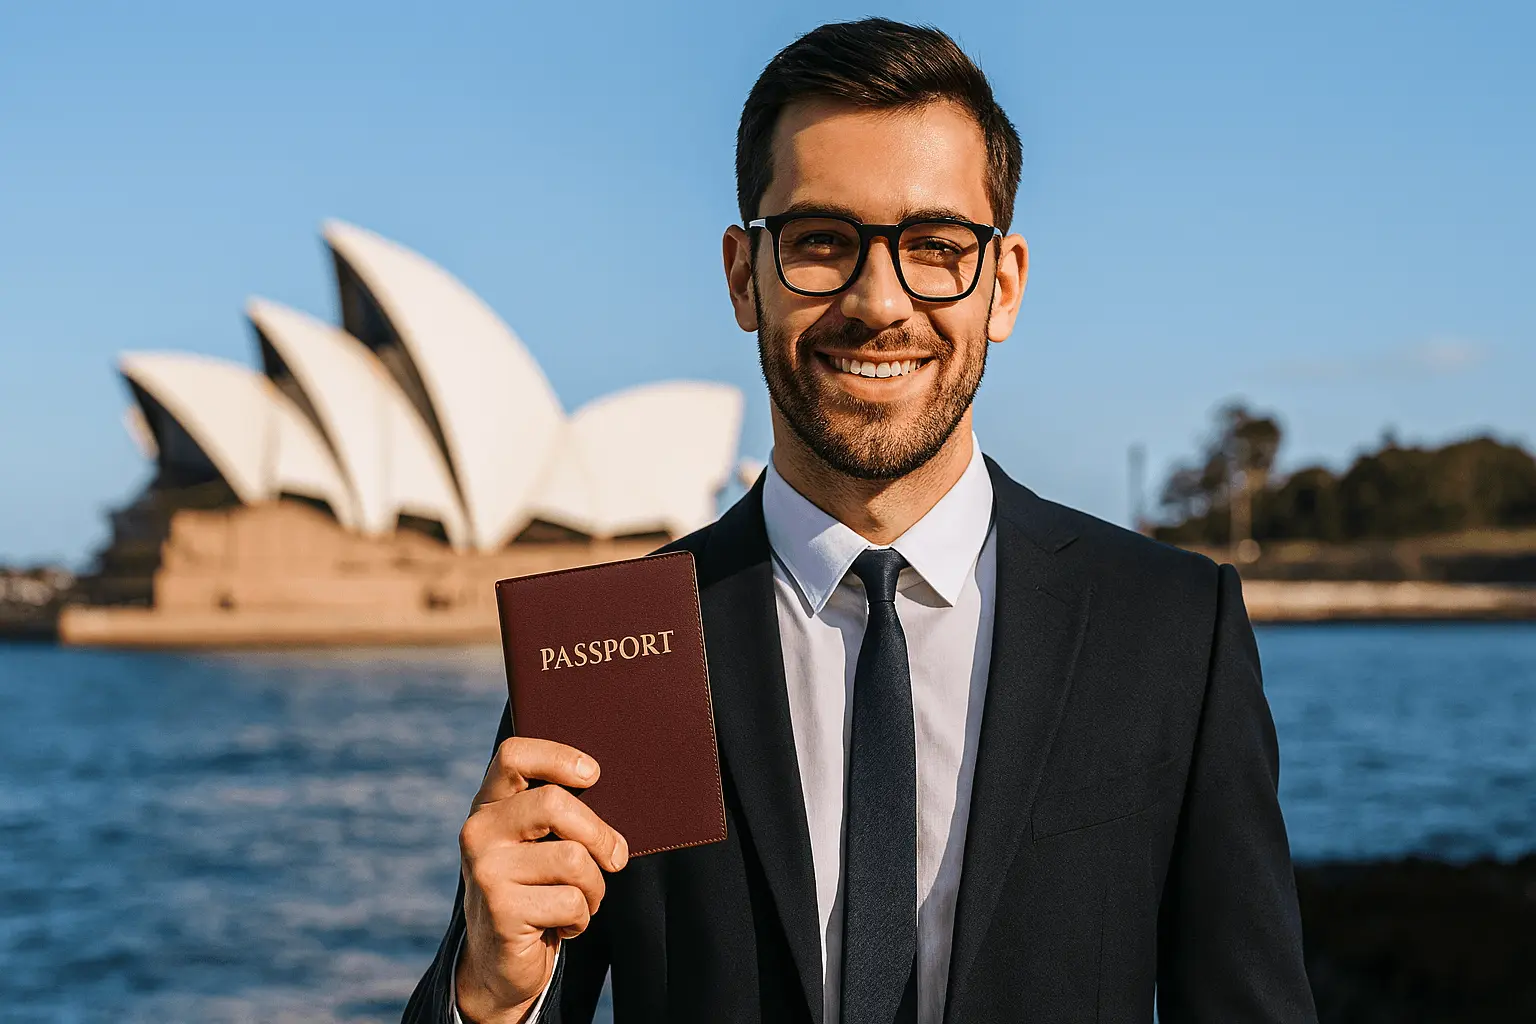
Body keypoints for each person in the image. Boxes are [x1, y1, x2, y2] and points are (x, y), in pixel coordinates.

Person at [404, 18, 1316, 1024]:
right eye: (822, 242)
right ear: (744, 275)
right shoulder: (614, 647)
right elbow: (519, 982)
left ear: (1002, 284)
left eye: (935, 246)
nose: (880, 301)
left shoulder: (1172, 631)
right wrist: (487, 1000)